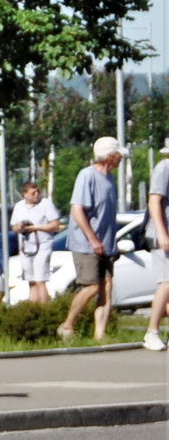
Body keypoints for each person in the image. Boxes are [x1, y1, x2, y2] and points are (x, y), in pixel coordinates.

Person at [59, 137, 122, 341]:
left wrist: (112, 242)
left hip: (106, 245)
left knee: (107, 287)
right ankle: (67, 326)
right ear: (110, 157)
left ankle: (100, 335)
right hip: (86, 244)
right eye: (118, 155)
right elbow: (77, 211)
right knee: (92, 286)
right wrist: (93, 239)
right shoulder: (87, 176)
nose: (121, 159)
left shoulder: (110, 179)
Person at [10, 182, 60, 304]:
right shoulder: (19, 206)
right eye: (33, 192)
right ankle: (33, 310)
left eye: (37, 191)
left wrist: (35, 227)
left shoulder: (45, 204)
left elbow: (55, 225)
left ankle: (45, 310)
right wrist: (20, 226)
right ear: (25, 194)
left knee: (40, 279)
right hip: (26, 247)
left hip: (43, 245)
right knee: (31, 280)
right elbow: (14, 228)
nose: (36, 194)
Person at [144, 138, 169, 352]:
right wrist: (162, 233)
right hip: (162, 235)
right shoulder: (164, 168)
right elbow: (154, 200)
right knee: (166, 283)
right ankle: (151, 332)